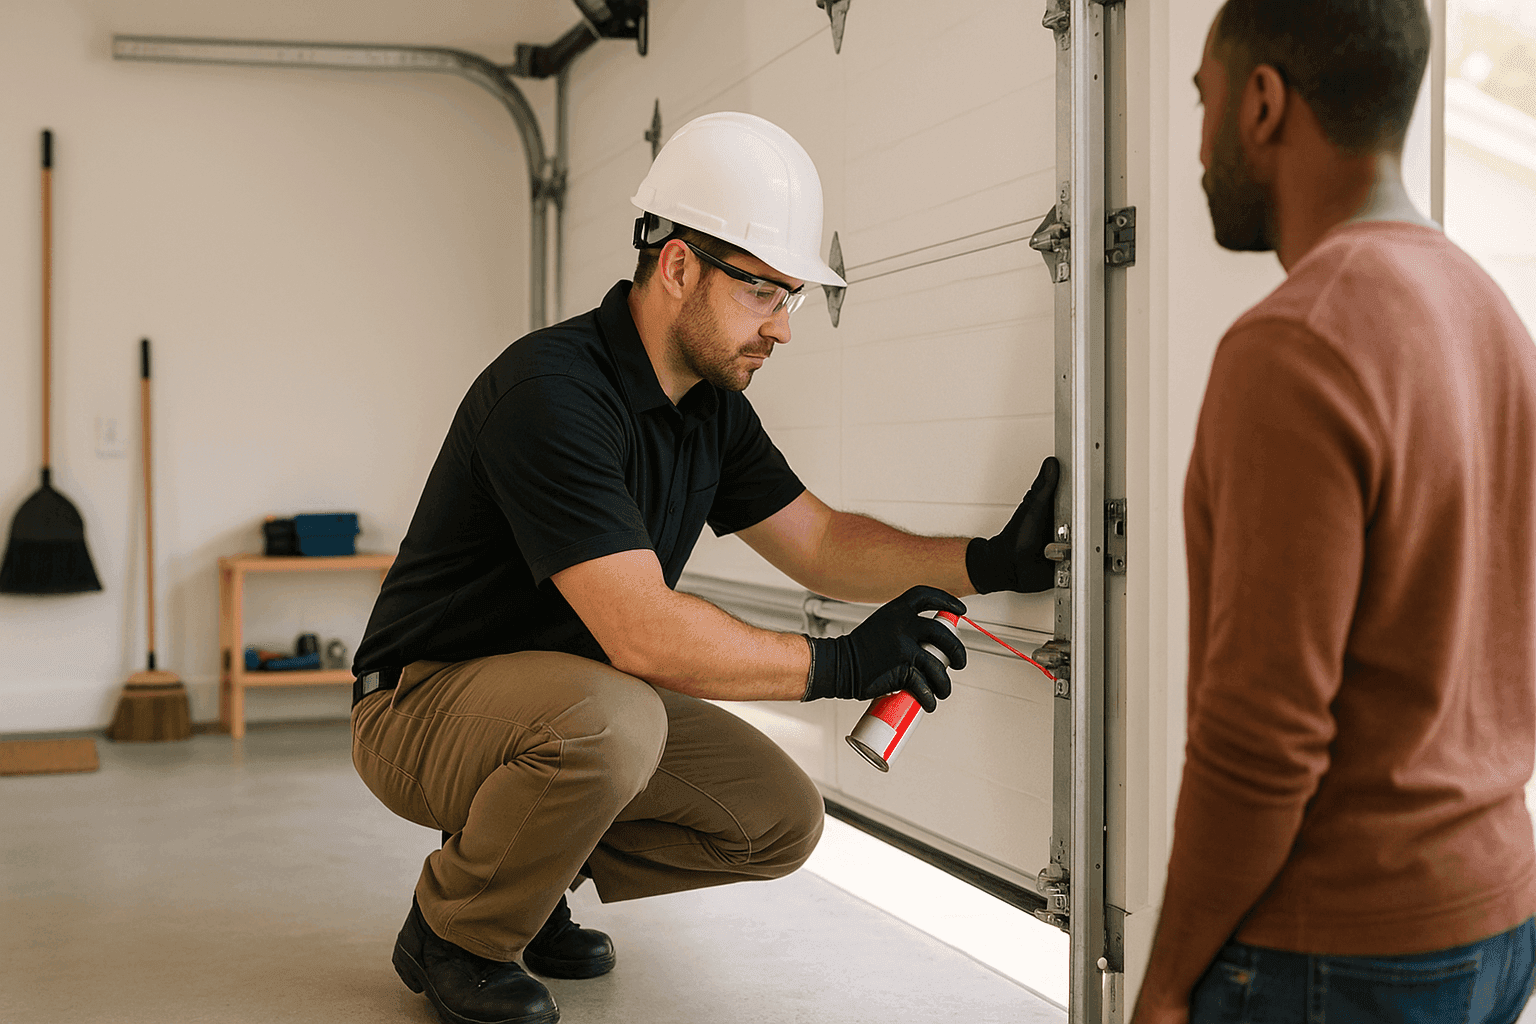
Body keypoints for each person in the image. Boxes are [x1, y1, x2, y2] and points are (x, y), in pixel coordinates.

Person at [349, 110, 1060, 1024]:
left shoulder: (707, 407)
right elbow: (641, 632)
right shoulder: (552, 394)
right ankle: (456, 932)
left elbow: (820, 540)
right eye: (765, 292)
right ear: (679, 265)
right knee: (614, 720)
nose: (785, 329)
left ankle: (530, 879)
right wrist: (838, 667)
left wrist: (986, 563)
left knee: (777, 818)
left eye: (791, 298)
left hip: (567, 704)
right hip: (417, 704)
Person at [1131, 2, 1536, 1023]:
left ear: (1262, 104)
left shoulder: (1294, 345)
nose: (1199, 146)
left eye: (1203, 104)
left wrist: (1168, 979)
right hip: (1496, 919)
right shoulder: (1493, 316)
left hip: (1340, 955)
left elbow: (1262, 737)